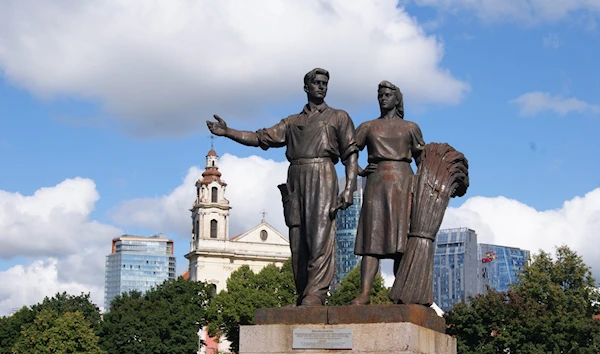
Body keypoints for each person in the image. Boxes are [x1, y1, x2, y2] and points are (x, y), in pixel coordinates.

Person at [206, 68, 358, 306]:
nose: (321, 86)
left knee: (319, 237)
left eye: (324, 83)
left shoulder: (339, 117)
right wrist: (228, 133)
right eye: (316, 83)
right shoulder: (292, 122)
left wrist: (349, 187)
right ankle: (303, 294)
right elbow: (260, 138)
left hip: (323, 175)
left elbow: (350, 153)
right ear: (306, 87)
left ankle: (316, 294)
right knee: (297, 240)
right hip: (296, 177)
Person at [350, 80, 425, 305]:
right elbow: (348, 150)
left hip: (404, 183)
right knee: (371, 243)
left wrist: (423, 188)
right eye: (380, 95)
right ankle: (364, 293)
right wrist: (359, 170)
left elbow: (422, 159)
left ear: (396, 99)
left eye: (387, 95)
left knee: (401, 242)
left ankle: (400, 292)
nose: (383, 98)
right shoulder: (368, 126)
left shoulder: (411, 127)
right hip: (376, 183)